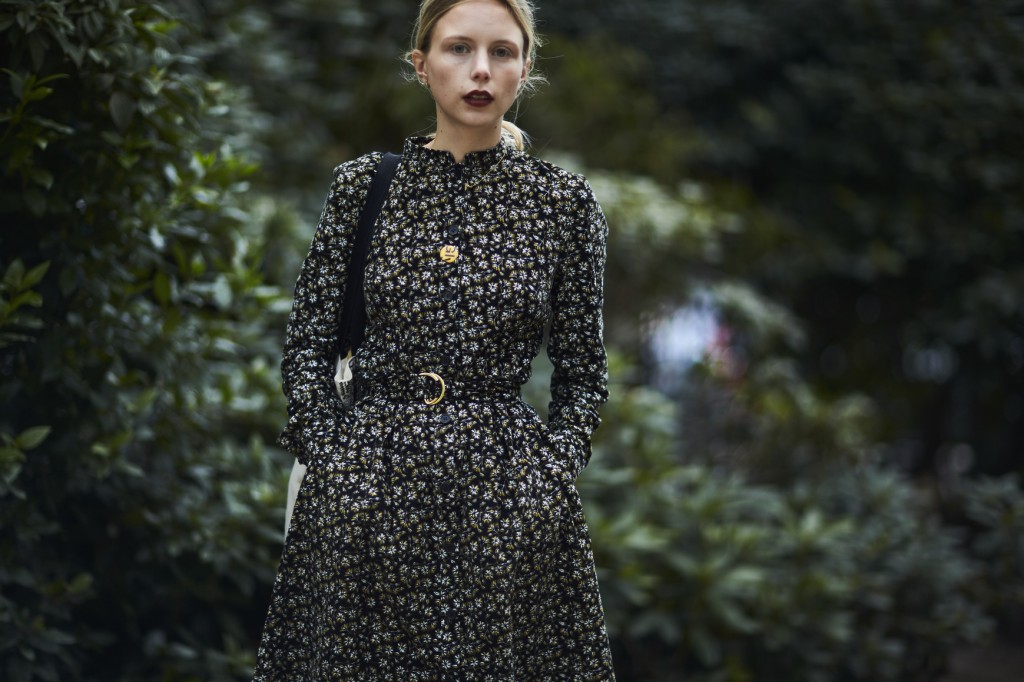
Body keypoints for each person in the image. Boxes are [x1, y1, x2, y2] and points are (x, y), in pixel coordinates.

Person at [253, 0, 615, 678]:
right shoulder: (364, 187)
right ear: (421, 66)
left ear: (524, 68)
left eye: (502, 52)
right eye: (458, 49)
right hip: (365, 496)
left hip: (503, 506)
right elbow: (307, 344)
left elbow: (583, 373)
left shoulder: (564, 206)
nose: (480, 69)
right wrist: (334, 459)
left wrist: (548, 475)